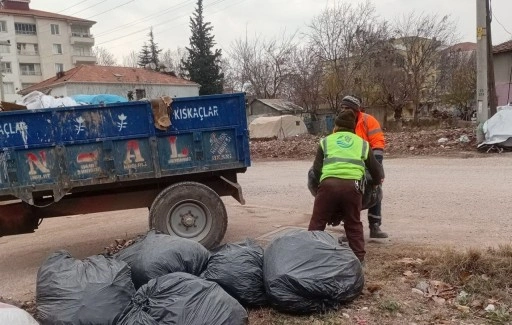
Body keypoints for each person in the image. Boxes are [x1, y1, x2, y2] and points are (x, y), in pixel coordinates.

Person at [308, 109, 384, 263]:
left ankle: (310, 259)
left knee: (317, 223)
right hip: (352, 188)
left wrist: (319, 193)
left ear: (335, 126)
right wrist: (375, 185)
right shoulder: (362, 144)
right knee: (354, 225)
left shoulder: (325, 141)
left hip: (327, 186)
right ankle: (359, 262)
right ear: (354, 127)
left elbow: (316, 171)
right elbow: (377, 172)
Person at [341, 95, 388, 238]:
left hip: (369, 160)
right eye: (342, 108)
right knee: (349, 195)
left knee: (375, 190)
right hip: (350, 163)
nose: (343, 110)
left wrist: (376, 167)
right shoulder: (341, 123)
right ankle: (350, 229)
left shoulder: (368, 121)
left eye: (347, 108)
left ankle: (375, 226)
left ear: (356, 110)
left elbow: (377, 143)